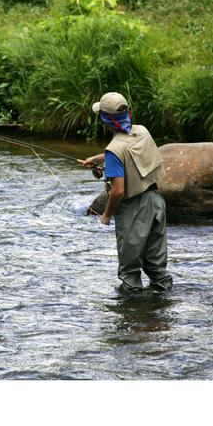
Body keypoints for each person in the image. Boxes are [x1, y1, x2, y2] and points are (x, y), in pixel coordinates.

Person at [79, 92, 173, 295]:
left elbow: (119, 190)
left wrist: (106, 215)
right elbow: (126, 149)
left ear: (105, 120)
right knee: (157, 268)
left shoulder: (114, 150)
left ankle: (130, 318)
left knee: (130, 274)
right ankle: (162, 312)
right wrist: (99, 158)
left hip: (134, 211)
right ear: (129, 112)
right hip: (156, 202)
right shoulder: (142, 131)